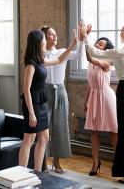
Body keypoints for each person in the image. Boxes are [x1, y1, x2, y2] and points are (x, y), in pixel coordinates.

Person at [84, 23, 124, 189]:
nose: (120, 33)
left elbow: (93, 52)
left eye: (122, 31)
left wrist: (85, 36)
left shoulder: (119, 52)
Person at [19, 29, 77, 172]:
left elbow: (58, 60)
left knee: (44, 138)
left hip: (41, 103)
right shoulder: (31, 64)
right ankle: (20, 174)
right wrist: (31, 113)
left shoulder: (40, 60)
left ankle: (38, 173)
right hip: (33, 105)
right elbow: (26, 89)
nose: (46, 41)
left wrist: (72, 45)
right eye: (44, 39)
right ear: (38, 42)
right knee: (29, 139)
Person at [40, 25, 85, 173]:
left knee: (60, 127)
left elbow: (78, 54)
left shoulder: (61, 52)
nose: (55, 36)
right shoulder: (41, 55)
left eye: (55, 34)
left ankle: (57, 162)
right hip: (45, 91)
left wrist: (81, 39)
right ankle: (43, 163)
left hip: (60, 91)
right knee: (44, 129)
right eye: (51, 35)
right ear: (45, 37)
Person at [83, 36, 118, 176]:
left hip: (107, 97)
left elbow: (90, 58)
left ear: (107, 49)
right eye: (97, 42)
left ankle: (119, 163)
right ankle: (95, 163)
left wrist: (84, 38)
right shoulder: (91, 64)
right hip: (94, 96)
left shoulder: (107, 62)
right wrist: (85, 101)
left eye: (101, 44)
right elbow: (89, 84)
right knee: (94, 131)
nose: (97, 44)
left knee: (113, 131)